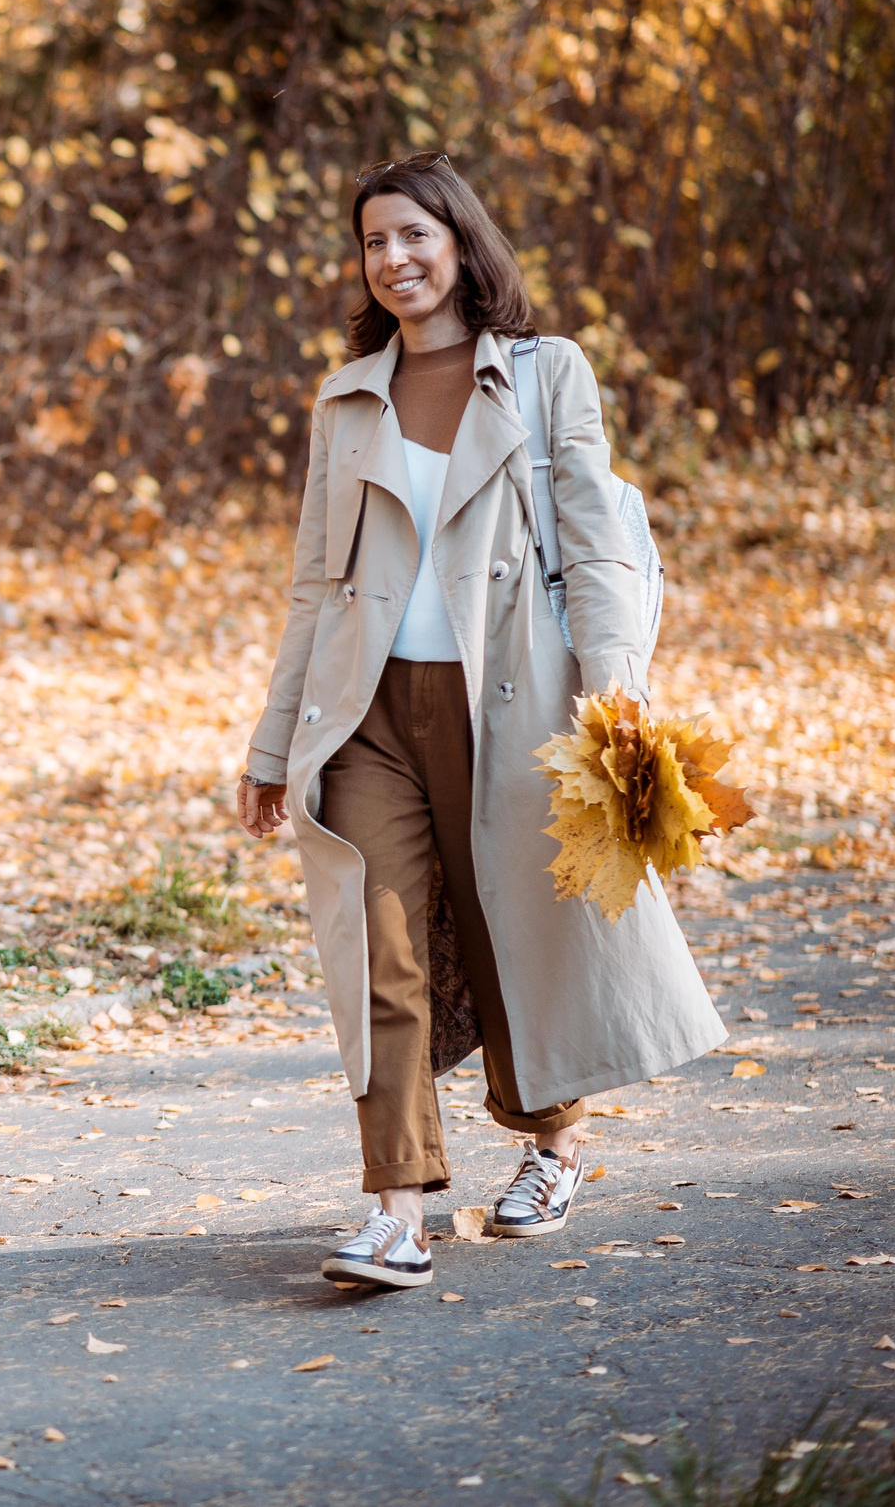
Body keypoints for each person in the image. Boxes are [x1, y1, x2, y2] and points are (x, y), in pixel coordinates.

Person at [237, 152, 722, 1291]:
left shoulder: (546, 375)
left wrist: (615, 688)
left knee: (513, 933)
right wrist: (270, 748)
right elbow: (314, 584)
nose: (393, 259)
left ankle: (551, 1142)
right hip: (364, 715)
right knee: (379, 951)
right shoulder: (346, 394)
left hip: (507, 699)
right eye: (372, 243)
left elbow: (597, 540)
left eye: (412, 234)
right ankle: (394, 1206)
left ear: (458, 240)